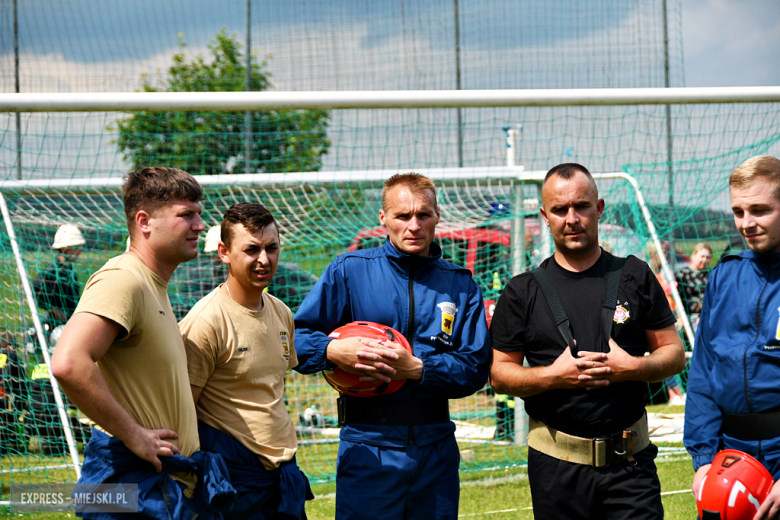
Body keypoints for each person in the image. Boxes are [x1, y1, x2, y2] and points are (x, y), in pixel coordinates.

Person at [490, 163, 685, 520]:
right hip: (557, 469)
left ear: (599, 208)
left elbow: (674, 355)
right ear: (544, 216)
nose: (572, 218)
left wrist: (634, 368)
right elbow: (500, 375)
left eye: (581, 206)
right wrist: (554, 376)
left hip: (631, 466)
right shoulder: (522, 290)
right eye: (560, 209)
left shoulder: (635, 274)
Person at [294, 173, 491, 520]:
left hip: (436, 449)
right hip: (367, 446)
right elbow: (296, 340)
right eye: (402, 216)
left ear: (437, 216)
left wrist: (416, 369)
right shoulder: (349, 271)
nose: (414, 225)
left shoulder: (461, 285)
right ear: (383, 218)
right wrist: (331, 351)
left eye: (423, 215)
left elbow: (475, 368)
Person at [51, 167, 234, 520]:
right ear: (144, 221)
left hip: (161, 483)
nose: (200, 225)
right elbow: (68, 363)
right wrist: (134, 435)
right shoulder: (123, 279)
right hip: (131, 482)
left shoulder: (154, 286)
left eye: (199, 213)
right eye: (186, 215)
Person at [180, 203, 312, 520]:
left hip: (282, 475)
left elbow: (271, 390)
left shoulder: (281, 312)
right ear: (224, 252)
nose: (264, 260)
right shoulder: (206, 320)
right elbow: (183, 411)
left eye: (271, 248)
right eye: (251, 249)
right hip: (235, 481)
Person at [685, 155, 780, 520]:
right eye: (738, 212)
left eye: (759, 210)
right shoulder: (724, 276)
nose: (747, 223)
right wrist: (703, 460)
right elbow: (705, 371)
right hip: (730, 459)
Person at [33, 224, 84, 327]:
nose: (80, 251)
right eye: (77, 247)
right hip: (56, 325)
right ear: (67, 249)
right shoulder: (52, 271)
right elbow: (35, 288)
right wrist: (53, 309)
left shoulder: (69, 270)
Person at [675, 241, 713, 331]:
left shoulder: (712, 275)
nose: (705, 260)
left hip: (708, 315)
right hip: (689, 316)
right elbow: (677, 298)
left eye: (708, 257)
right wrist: (681, 317)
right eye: (702, 256)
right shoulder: (682, 274)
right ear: (694, 255)